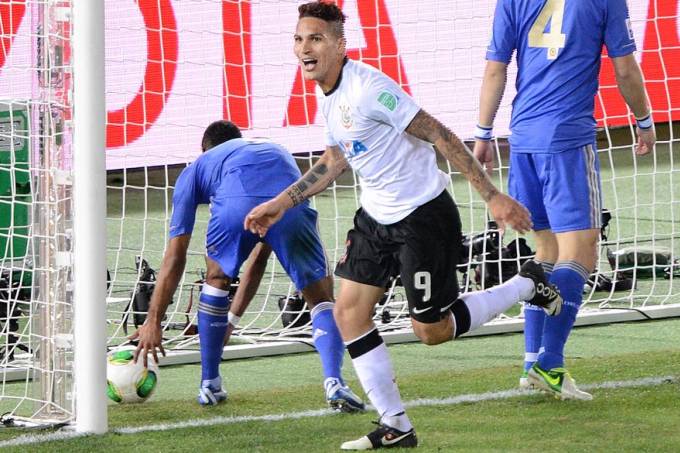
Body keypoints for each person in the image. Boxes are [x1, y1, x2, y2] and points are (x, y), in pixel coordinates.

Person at [243, 2, 563, 449]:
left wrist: (492, 195)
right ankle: (396, 425)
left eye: (315, 39)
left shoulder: (370, 88)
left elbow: (438, 133)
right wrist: (282, 202)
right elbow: (336, 158)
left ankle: (527, 284)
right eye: (299, 39)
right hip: (375, 218)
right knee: (348, 312)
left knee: (431, 331)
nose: (304, 49)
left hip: (422, 217)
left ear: (339, 45)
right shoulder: (328, 95)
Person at [474, 0, 656, 400]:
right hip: (568, 140)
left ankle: (529, 363)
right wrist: (644, 121)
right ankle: (550, 363)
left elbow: (495, 68)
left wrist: (484, 133)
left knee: (547, 252)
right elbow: (624, 68)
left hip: (522, 141)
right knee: (581, 252)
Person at [131, 120, 364, 412]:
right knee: (320, 300)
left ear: (204, 150)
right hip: (291, 197)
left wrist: (154, 320)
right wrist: (232, 320)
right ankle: (334, 382)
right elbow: (259, 258)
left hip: (234, 204)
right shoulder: (267, 148)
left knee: (216, 279)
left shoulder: (197, 169)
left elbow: (175, 257)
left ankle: (210, 383)